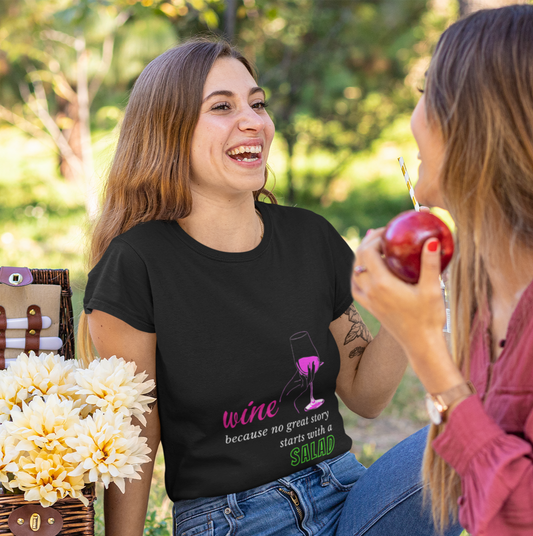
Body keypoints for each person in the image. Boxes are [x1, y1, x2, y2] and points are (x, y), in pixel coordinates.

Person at [79, 38, 462, 536]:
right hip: (234, 520)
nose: (254, 121)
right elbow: (134, 432)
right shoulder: (135, 263)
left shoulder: (310, 237)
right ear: (168, 130)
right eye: (223, 107)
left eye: (257, 104)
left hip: (349, 497)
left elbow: (366, 395)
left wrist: (412, 300)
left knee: (488, 430)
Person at [350, 5, 533, 536]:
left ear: (475, 123)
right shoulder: (485, 280)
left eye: (427, 93)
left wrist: (425, 347)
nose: (413, 117)